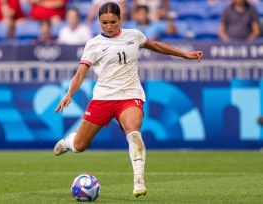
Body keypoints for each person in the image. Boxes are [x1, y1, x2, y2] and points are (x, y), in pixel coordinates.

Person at [53, 2, 203, 198]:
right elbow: (81, 73)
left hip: (130, 95)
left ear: (120, 19)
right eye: (104, 22)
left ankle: (139, 181)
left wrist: (184, 54)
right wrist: (69, 94)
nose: (109, 26)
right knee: (80, 146)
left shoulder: (134, 35)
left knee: (134, 133)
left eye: (113, 22)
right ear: (99, 21)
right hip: (103, 98)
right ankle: (69, 141)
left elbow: (155, 45)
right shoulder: (94, 44)